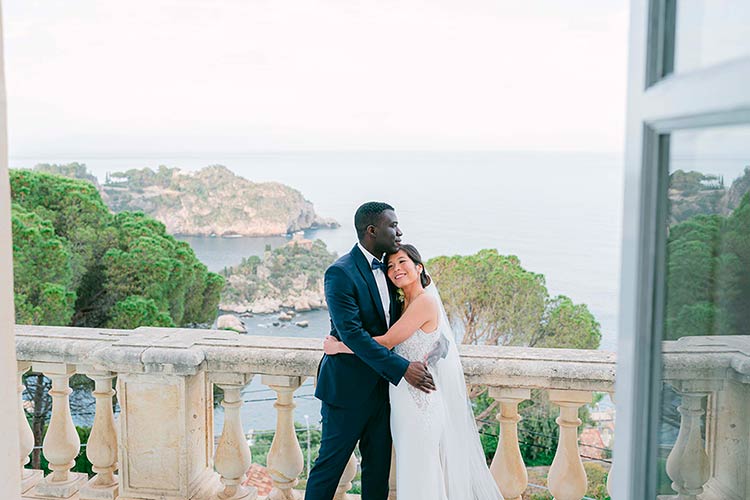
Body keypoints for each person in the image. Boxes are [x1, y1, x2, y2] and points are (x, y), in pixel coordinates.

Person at [324, 244, 503, 500]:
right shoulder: (401, 302)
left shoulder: (424, 302)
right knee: (411, 468)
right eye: (390, 266)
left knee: (422, 468)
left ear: (419, 268)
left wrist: (339, 347)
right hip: (400, 397)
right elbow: (436, 341)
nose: (396, 269)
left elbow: (386, 342)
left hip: (419, 400)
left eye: (403, 263)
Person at [304, 202, 436, 500]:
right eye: (393, 225)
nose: (399, 232)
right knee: (329, 468)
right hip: (347, 391)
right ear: (372, 230)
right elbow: (353, 333)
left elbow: (395, 328)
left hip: (385, 392)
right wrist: (402, 369)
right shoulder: (340, 273)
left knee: (377, 472)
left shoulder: (392, 270)